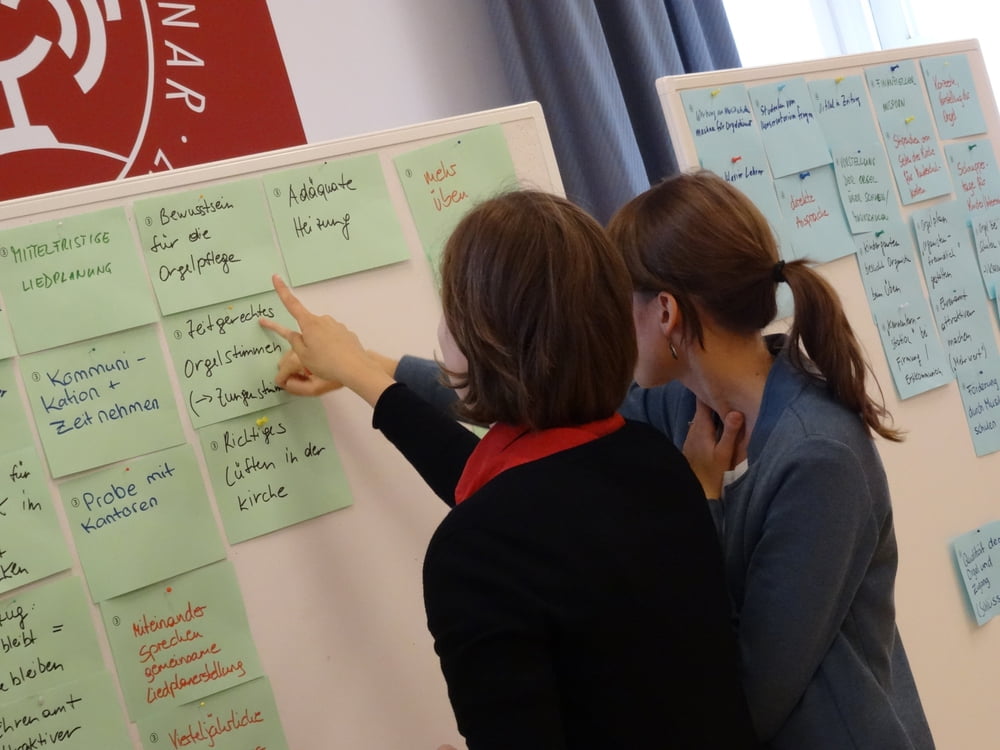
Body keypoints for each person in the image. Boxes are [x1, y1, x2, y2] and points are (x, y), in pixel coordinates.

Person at [364, 171, 936, 749]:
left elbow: (746, 696)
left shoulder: (819, 457)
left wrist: (702, 499)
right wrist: (376, 370)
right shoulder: (678, 404)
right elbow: (531, 403)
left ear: (665, 313)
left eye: (615, 301)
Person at [260, 190, 759, 749]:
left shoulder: (476, 550)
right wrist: (361, 372)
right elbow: (507, 491)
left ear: (484, 341)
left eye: (449, 313)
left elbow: (508, 517)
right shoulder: (654, 461)